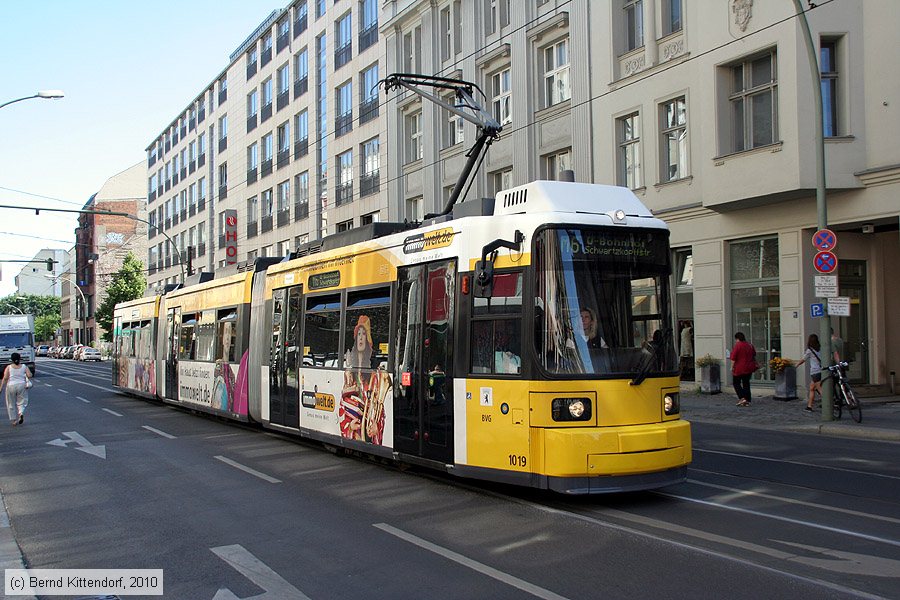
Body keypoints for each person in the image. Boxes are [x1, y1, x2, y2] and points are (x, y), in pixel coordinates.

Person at [1, 353, 33, 426]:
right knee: (22, 401)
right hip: (21, 385)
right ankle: (21, 413)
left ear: (11, 359)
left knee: (10, 403)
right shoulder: (24, 366)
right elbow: (29, 375)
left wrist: (1, 388)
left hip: (11, 386)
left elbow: (5, 378)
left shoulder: (9, 367)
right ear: (20, 358)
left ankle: (14, 420)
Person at [796, 333, 823, 412]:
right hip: (821, 370)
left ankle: (829, 404)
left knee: (819, 389)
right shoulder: (820, 348)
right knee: (811, 388)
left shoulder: (809, 351)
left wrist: (796, 365)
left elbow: (803, 360)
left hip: (815, 372)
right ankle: (809, 406)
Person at [730, 332, 757, 407]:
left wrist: (731, 367)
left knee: (736, 383)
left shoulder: (738, 345)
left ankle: (742, 398)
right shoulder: (750, 345)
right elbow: (754, 354)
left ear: (737, 338)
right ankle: (747, 400)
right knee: (746, 383)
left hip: (739, 368)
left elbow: (733, 358)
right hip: (749, 367)